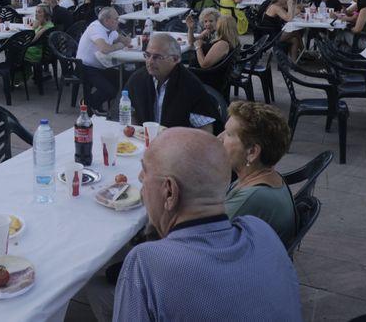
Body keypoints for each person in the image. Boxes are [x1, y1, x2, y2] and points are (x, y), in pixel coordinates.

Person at [94, 128, 302, 321]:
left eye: (144, 171)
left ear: (169, 192)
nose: (140, 178)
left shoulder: (146, 262)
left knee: (94, 284)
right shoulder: (260, 230)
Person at [219, 101, 297, 244]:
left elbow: (204, 239)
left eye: (229, 134)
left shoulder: (252, 197)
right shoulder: (261, 176)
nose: (220, 138)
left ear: (252, 152)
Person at [126, 32, 221, 128]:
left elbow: (205, 129)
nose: (150, 61)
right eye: (147, 55)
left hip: (179, 141)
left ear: (175, 59)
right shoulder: (137, 80)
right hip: (143, 140)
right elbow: (129, 112)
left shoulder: (190, 86)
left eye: (157, 57)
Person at [74, 7, 129, 115]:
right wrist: (120, 45)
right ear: (106, 20)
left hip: (101, 65)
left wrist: (125, 40)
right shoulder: (96, 28)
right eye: (116, 19)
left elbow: (120, 38)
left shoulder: (110, 29)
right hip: (85, 67)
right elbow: (104, 49)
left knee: (125, 78)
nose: (118, 21)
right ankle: (88, 103)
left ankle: (106, 106)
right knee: (110, 90)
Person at [18, 4, 56, 83]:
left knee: (15, 51)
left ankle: (18, 78)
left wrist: (33, 28)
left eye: (39, 12)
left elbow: (31, 41)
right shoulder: (49, 24)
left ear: (46, 14)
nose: (36, 14)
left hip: (37, 53)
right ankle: (23, 75)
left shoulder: (44, 28)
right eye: (36, 12)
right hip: (43, 51)